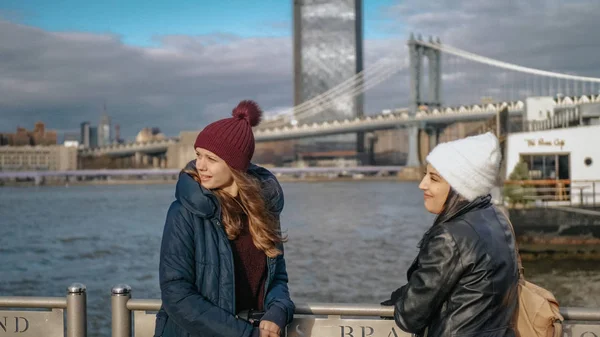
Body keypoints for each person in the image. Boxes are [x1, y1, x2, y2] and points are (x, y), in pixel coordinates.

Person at [154, 100, 295, 337]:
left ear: (235, 166)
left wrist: (278, 310)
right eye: (198, 155)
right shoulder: (184, 212)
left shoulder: (263, 211)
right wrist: (244, 334)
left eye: (211, 159)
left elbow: (277, 278)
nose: (200, 165)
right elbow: (176, 293)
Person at [381, 132, 519, 337]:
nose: (422, 184)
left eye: (434, 178)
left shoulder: (451, 237)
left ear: (461, 187)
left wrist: (401, 298)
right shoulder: (495, 217)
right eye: (425, 175)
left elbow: (410, 316)